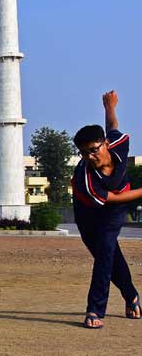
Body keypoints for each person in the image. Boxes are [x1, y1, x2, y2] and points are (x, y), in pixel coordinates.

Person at [71, 90, 142, 329]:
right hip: (88, 212)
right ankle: (132, 296)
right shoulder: (85, 176)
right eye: (83, 153)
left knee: (105, 254)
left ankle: (95, 309)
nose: (90, 156)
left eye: (93, 149)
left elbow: (112, 126)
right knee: (109, 255)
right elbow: (110, 197)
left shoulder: (119, 143)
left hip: (115, 210)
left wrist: (109, 106)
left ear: (105, 144)